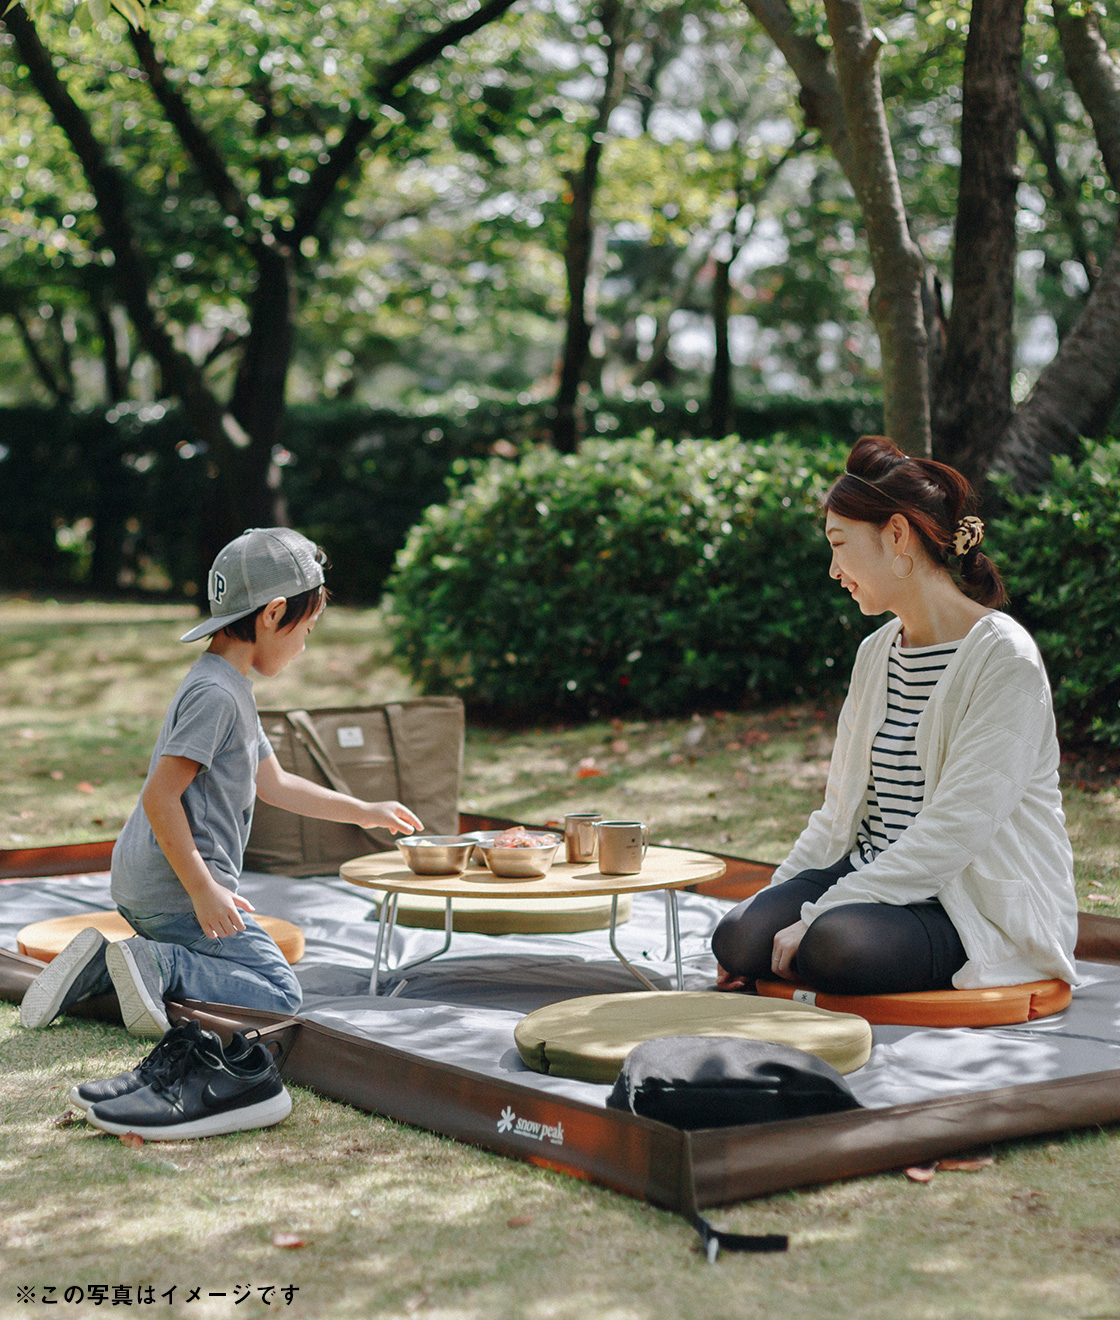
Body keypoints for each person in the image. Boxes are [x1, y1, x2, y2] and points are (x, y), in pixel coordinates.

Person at [711, 436, 1079, 996]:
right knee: (739, 936)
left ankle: (835, 929)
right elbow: (838, 815)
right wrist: (776, 901)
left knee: (833, 945)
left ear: (898, 535)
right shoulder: (877, 652)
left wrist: (815, 915)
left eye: (840, 544)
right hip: (869, 877)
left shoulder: (1004, 657)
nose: (833, 569)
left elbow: (956, 829)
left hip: (960, 898)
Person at [21, 527, 423, 1036]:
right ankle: (158, 964)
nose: (303, 647)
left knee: (247, 970)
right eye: (307, 629)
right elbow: (159, 796)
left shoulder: (228, 686)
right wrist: (204, 889)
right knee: (279, 991)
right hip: (176, 891)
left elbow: (273, 783)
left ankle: (104, 965)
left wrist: (364, 810)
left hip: (153, 885)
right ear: (274, 613)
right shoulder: (216, 695)